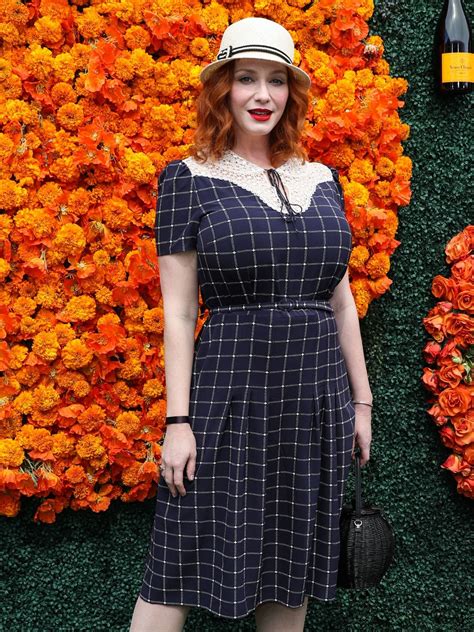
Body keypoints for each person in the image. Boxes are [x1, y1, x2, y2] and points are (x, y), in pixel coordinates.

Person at [130, 16, 372, 632]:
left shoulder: (321, 182)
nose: (262, 94)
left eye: (276, 80)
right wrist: (177, 422)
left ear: (292, 93)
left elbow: (340, 299)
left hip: (314, 398)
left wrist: (361, 403)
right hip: (228, 394)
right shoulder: (186, 180)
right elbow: (181, 313)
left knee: (291, 570)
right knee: (175, 565)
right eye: (246, 79)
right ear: (223, 90)